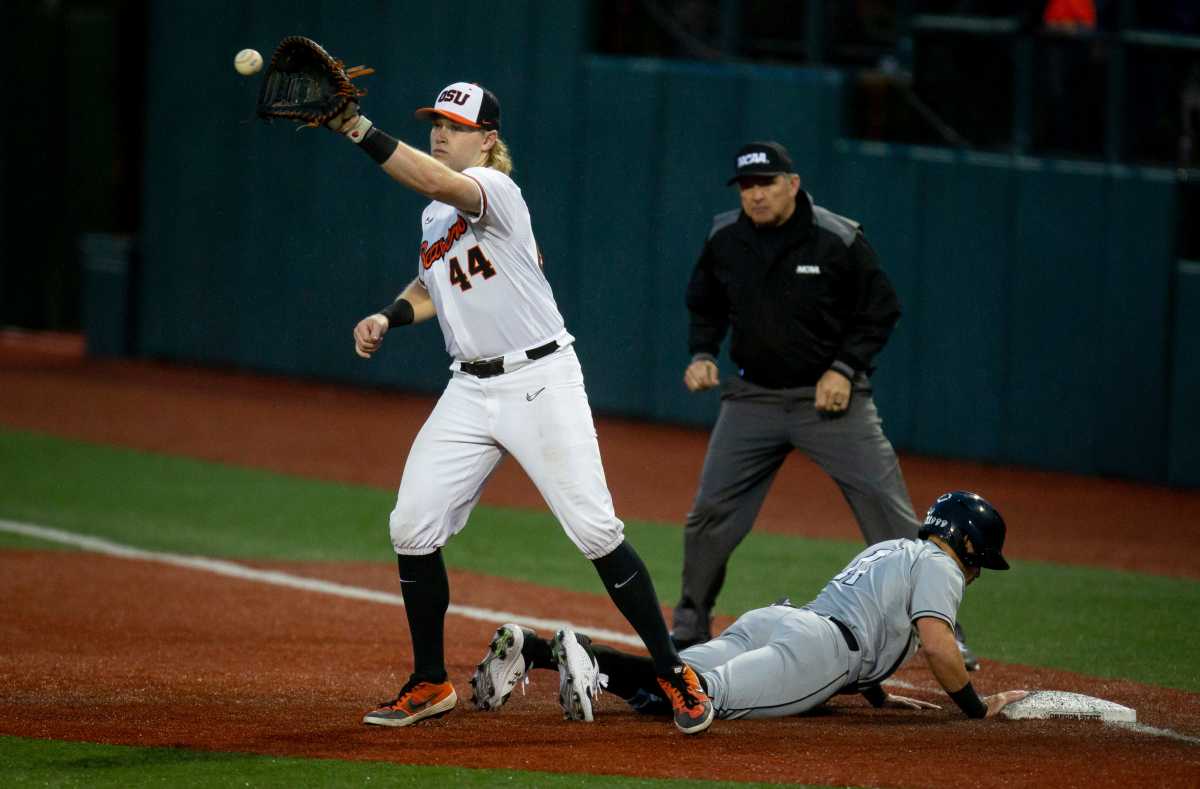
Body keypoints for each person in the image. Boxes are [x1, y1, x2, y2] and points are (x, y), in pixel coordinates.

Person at [326, 82, 712, 734]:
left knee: (595, 529)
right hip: (470, 388)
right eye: (435, 123)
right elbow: (434, 283)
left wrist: (357, 128)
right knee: (411, 524)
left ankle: (675, 671)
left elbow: (434, 180)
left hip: (539, 379)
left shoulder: (493, 191)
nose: (441, 134)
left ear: (488, 139)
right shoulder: (435, 217)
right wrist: (389, 315)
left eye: (455, 124)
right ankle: (430, 679)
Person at [671, 140, 981, 660]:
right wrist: (703, 352)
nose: (756, 196)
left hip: (832, 402)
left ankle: (942, 629)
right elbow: (705, 302)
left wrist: (844, 368)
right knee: (709, 516)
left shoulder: (837, 238)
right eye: (747, 186)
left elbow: (881, 309)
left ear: (793, 184)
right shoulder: (725, 236)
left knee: (891, 515)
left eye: (767, 183)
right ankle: (688, 625)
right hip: (754, 399)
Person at [472, 491, 1027, 726]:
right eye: (981, 560)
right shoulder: (942, 564)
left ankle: (543, 651)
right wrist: (978, 709)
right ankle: (582, 659)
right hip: (818, 651)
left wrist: (879, 695)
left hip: (775, 622)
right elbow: (937, 645)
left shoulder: (894, 549)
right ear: (970, 544)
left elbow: (868, 616)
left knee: (672, 682)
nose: (976, 572)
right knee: (697, 698)